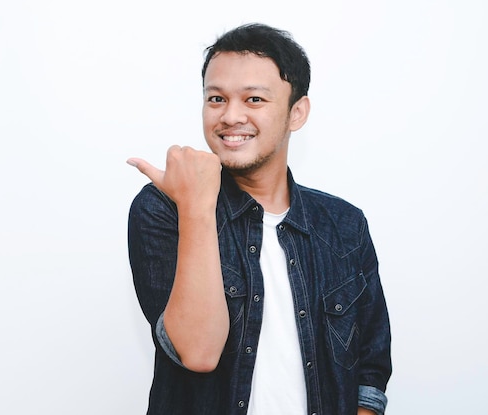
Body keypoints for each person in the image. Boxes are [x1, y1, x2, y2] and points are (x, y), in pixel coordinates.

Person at [126, 23, 392, 415]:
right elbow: (198, 352)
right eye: (216, 98)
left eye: (253, 99)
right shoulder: (165, 208)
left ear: (296, 112)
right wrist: (197, 204)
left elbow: (370, 374)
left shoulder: (344, 225)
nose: (231, 116)